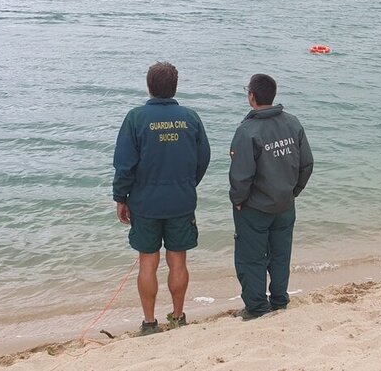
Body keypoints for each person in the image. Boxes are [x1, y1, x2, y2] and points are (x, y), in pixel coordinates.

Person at [113, 62, 211, 334]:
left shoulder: (135, 118)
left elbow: (124, 165)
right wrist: (188, 184)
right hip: (180, 200)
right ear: (174, 87)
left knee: (148, 261)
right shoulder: (191, 117)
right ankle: (178, 317)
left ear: (149, 87)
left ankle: (149, 322)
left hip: (145, 203)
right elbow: (203, 158)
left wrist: (121, 197)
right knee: (178, 261)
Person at [229, 73, 314, 320]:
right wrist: (293, 191)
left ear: (252, 97)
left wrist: (238, 200)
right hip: (285, 204)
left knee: (251, 258)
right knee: (280, 255)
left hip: (255, 207)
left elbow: (241, 176)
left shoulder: (247, 131)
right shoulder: (293, 123)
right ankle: (279, 301)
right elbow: (306, 164)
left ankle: (257, 307)